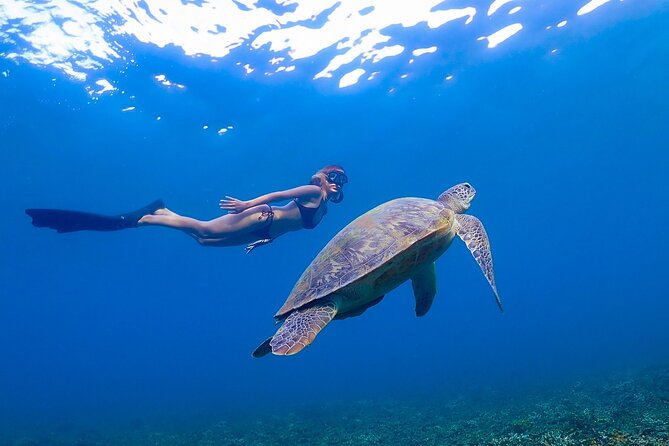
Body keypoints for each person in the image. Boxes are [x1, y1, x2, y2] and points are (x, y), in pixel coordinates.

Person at [25, 165, 348, 253]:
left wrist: (270, 239)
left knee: (205, 242)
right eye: (335, 178)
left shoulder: (324, 210)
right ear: (325, 178)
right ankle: (148, 218)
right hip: (261, 214)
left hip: (267, 230)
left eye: (341, 182)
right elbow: (281, 194)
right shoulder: (311, 192)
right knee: (206, 229)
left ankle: (163, 212)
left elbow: (293, 225)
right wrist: (249, 203)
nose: (338, 185)